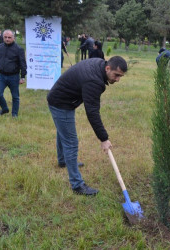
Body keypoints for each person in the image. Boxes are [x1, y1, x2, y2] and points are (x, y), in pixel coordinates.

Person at [47, 56, 127, 196]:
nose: (118, 79)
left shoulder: (99, 64)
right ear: (107, 68)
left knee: (63, 133)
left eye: (121, 76)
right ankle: (77, 185)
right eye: (116, 75)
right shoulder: (94, 81)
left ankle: (63, 161)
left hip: (63, 99)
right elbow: (92, 112)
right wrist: (104, 139)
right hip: (61, 103)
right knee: (71, 142)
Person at [0, 30, 27, 118]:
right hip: (2, 76)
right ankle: (5, 109)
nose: (7, 39)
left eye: (9, 37)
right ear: (3, 37)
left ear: (13, 38)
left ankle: (14, 114)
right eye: (5, 37)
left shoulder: (19, 49)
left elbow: (23, 64)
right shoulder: (0, 47)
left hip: (14, 76)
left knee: (15, 97)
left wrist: (22, 77)